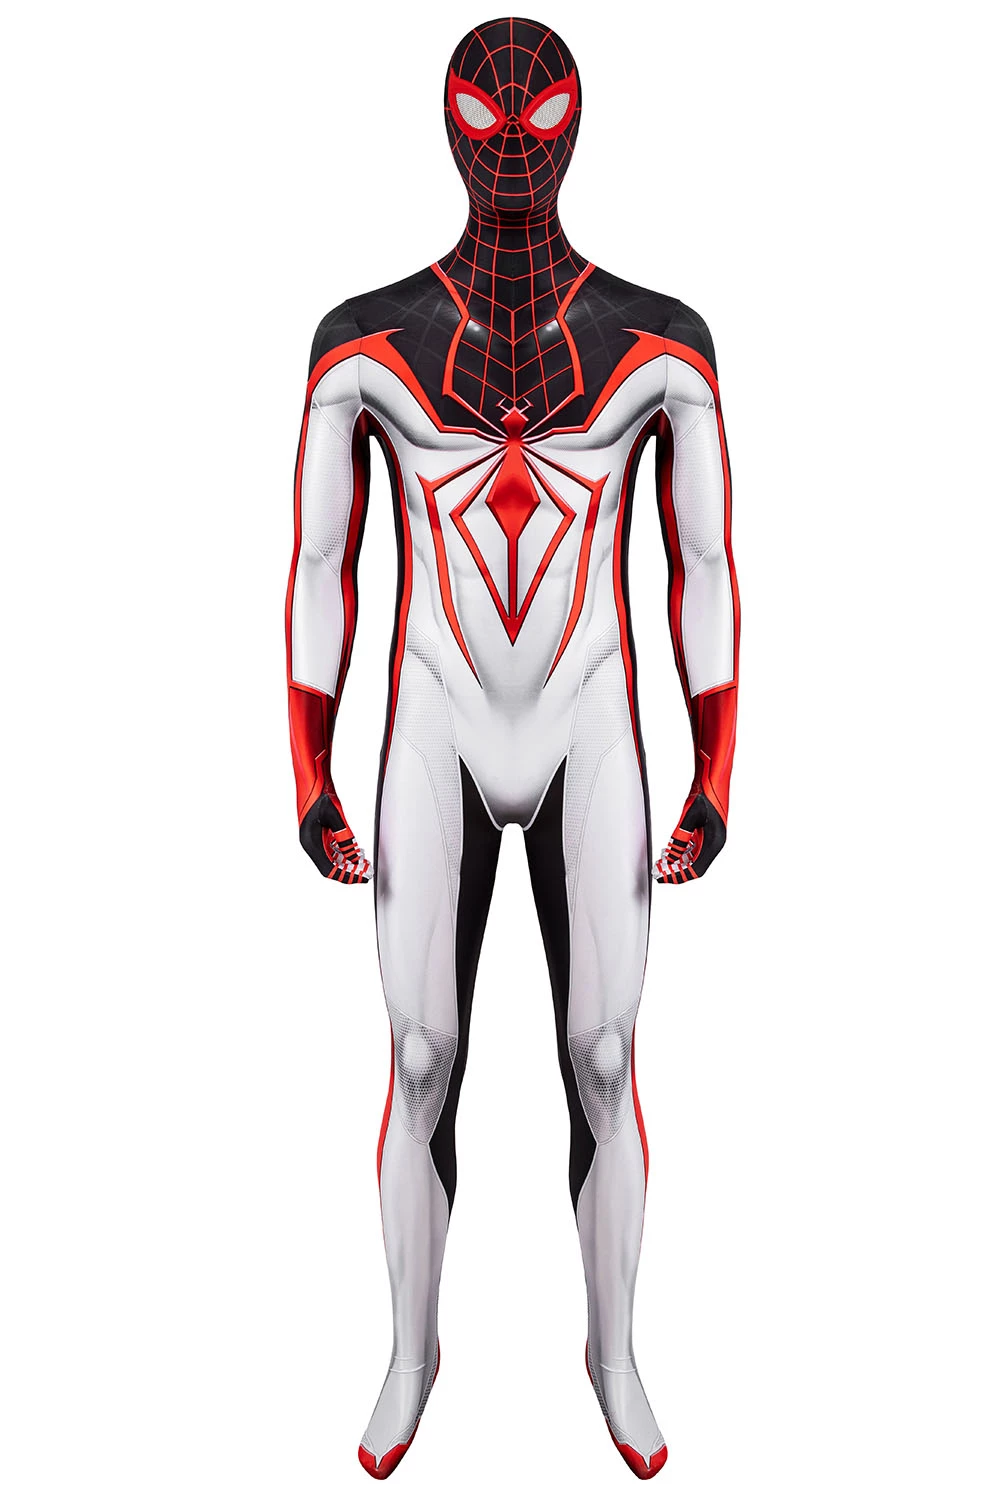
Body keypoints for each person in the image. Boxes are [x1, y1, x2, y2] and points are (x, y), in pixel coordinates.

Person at [285, 16, 739, 1480]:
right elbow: (321, 565)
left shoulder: (663, 341)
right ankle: (411, 1355)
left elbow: (703, 565)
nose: (513, 161)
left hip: (593, 723)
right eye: (489, 130)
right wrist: (307, 768)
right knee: (419, 1055)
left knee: (605, 1056)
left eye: (537, 130)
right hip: (432, 722)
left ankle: (614, 1353)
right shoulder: (362, 342)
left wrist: (718, 769)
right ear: (448, 131)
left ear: (578, 130)